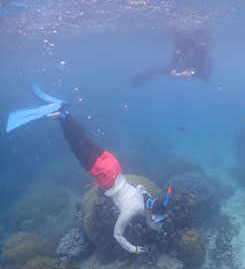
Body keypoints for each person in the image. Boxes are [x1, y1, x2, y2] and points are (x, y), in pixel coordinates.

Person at [47, 106, 171, 254]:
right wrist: (134, 249)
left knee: (84, 139)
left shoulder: (147, 197)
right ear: (150, 215)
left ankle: (66, 113)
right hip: (105, 176)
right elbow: (117, 234)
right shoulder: (132, 210)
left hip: (114, 166)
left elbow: (139, 187)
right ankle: (62, 118)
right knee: (76, 145)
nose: (158, 224)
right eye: (157, 221)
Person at [130, 29, 212, 86]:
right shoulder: (180, 46)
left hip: (199, 63)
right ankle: (155, 71)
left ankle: (211, 61)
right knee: (173, 72)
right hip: (188, 62)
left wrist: (191, 73)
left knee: (206, 77)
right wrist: (173, 69)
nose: (180, 45)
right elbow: (174, 60)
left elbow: (202, 68)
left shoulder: (201, 48)